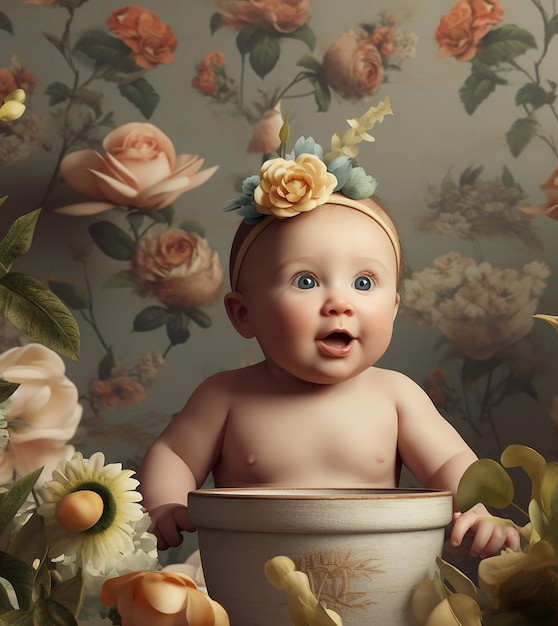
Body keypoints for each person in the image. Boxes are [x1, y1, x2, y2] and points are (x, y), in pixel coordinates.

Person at [138, 99, 520, 559]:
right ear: (244, 315)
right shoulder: (226, 397)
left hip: (374, 585)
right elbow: (174, 456)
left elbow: (453, 464)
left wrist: (481, 509)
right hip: (251, 587)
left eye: (363, 282)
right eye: (306, 281)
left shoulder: (396, 397)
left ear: (394, 308)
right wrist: (164, 503)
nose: (339, 302)